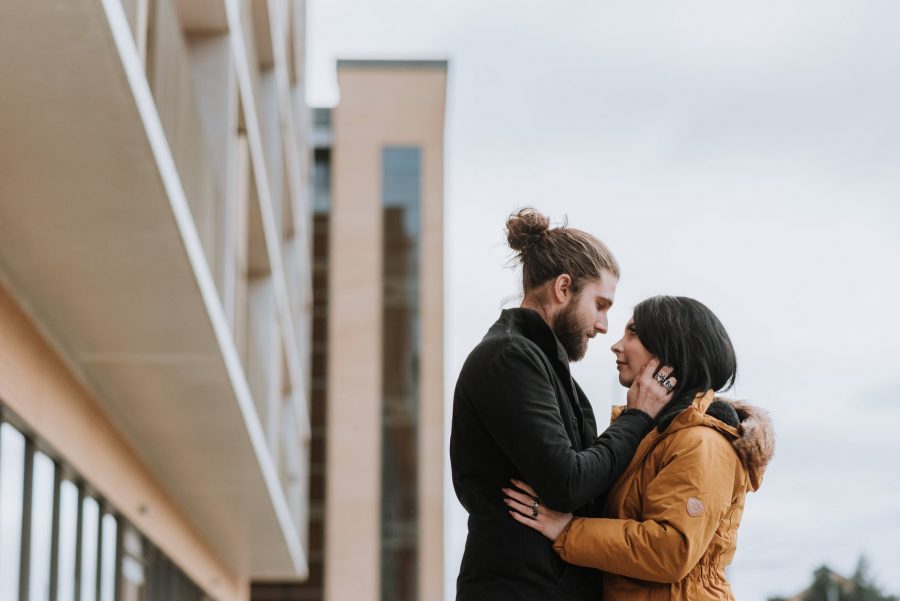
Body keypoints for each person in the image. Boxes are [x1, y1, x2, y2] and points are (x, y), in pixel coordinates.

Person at [450, 208, 676, 601]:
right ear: (563, 288)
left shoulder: (546, 368)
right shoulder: (509, 357)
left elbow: (590, 488)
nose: (604, 325)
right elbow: (568, 482)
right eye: (601, 304)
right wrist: (637, 417)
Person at [504, 296, 775, 600]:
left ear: (672, 351)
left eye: (633, 333)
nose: (616, 345)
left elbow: (670, 550)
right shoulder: (654, 436)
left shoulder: (702, 441)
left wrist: (568, 530)